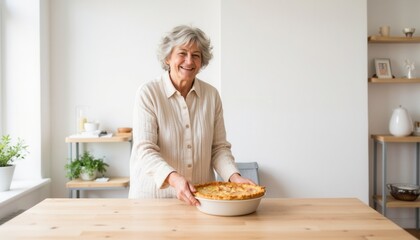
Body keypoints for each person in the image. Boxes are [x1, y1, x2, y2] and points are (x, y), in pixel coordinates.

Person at [128, 25, 254, 206]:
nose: (189, 61)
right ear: (167, 57)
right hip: (152, 202)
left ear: (202, 62)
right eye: (182, 53)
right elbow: (145, 150)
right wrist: (174, 179)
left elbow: (218, 148)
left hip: (200, 200)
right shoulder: (148, 93)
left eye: (196, 55)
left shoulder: (211, 95)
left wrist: (234, 177)